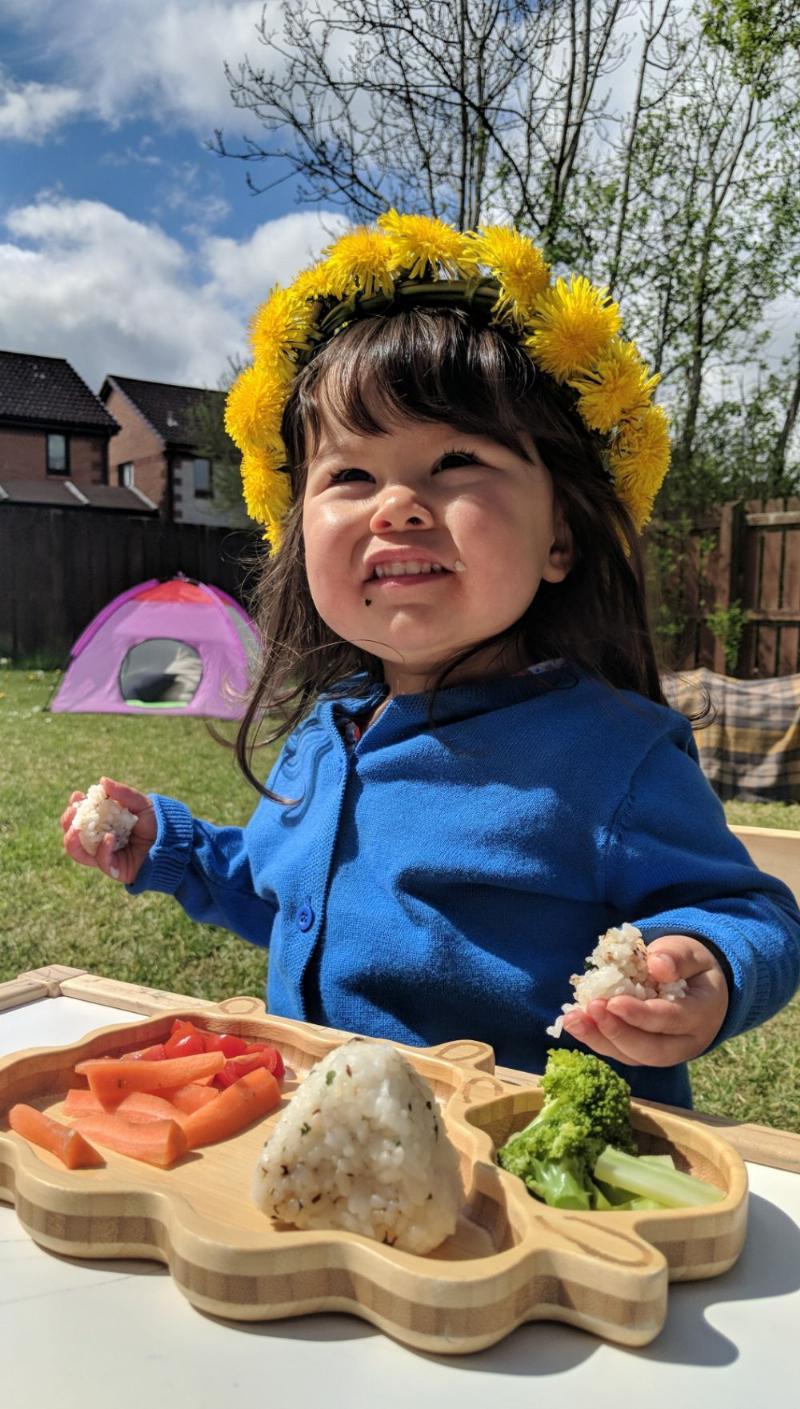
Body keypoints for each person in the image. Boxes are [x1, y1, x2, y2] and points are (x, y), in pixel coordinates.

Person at [61, 211, 800, 1107]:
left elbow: (752, 911)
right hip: (337, 1151)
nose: (397, 506)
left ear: (560, 537)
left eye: (455, 460)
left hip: (523, 1172)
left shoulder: (613, 758)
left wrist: (707, 963)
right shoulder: (326, 734)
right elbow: (288, 899)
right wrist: (172, 848)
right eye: (351, 475)